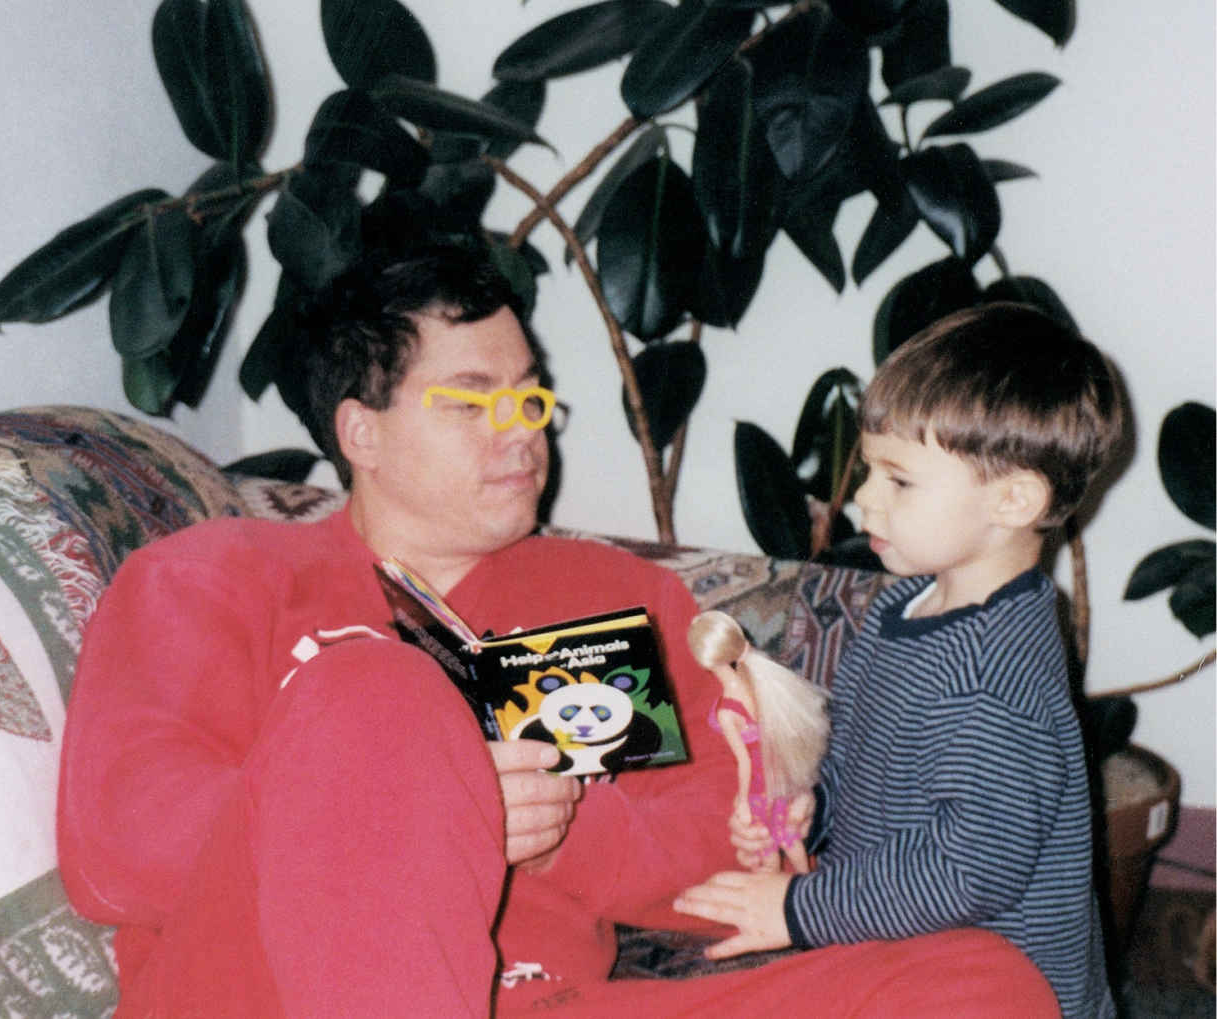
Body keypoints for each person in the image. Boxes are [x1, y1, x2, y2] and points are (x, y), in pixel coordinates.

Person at [57, 244, 1059, 1017]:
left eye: (529, 393)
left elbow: (718, 853)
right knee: (382, 694)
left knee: (978, 983)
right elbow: (120, 850)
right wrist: (422, 795)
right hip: (256, 995)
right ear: (360, 429)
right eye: (473, 400)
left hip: (549, 1001)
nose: (524, 427)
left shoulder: (604, 595)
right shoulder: (213, 577)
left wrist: (554, 839)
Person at [675, 302, 1123, 1019]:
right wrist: (807, 807)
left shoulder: (997, 677)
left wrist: (800, 908)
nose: (861, 499)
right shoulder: (899, 607)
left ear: (1013, 499)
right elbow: (854, 748)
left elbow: (966, 867)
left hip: (996, 991)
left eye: (899, 481)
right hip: (900, 958)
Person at [687, 609, 829, 874]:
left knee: (766, 847)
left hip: (759, 786)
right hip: (784, 771)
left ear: (704, 661)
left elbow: (744, 762)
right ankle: (807, 882)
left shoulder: (728, 710)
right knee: (789, 836)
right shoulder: (762, 681)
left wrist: (742, 800)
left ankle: (778, 889)